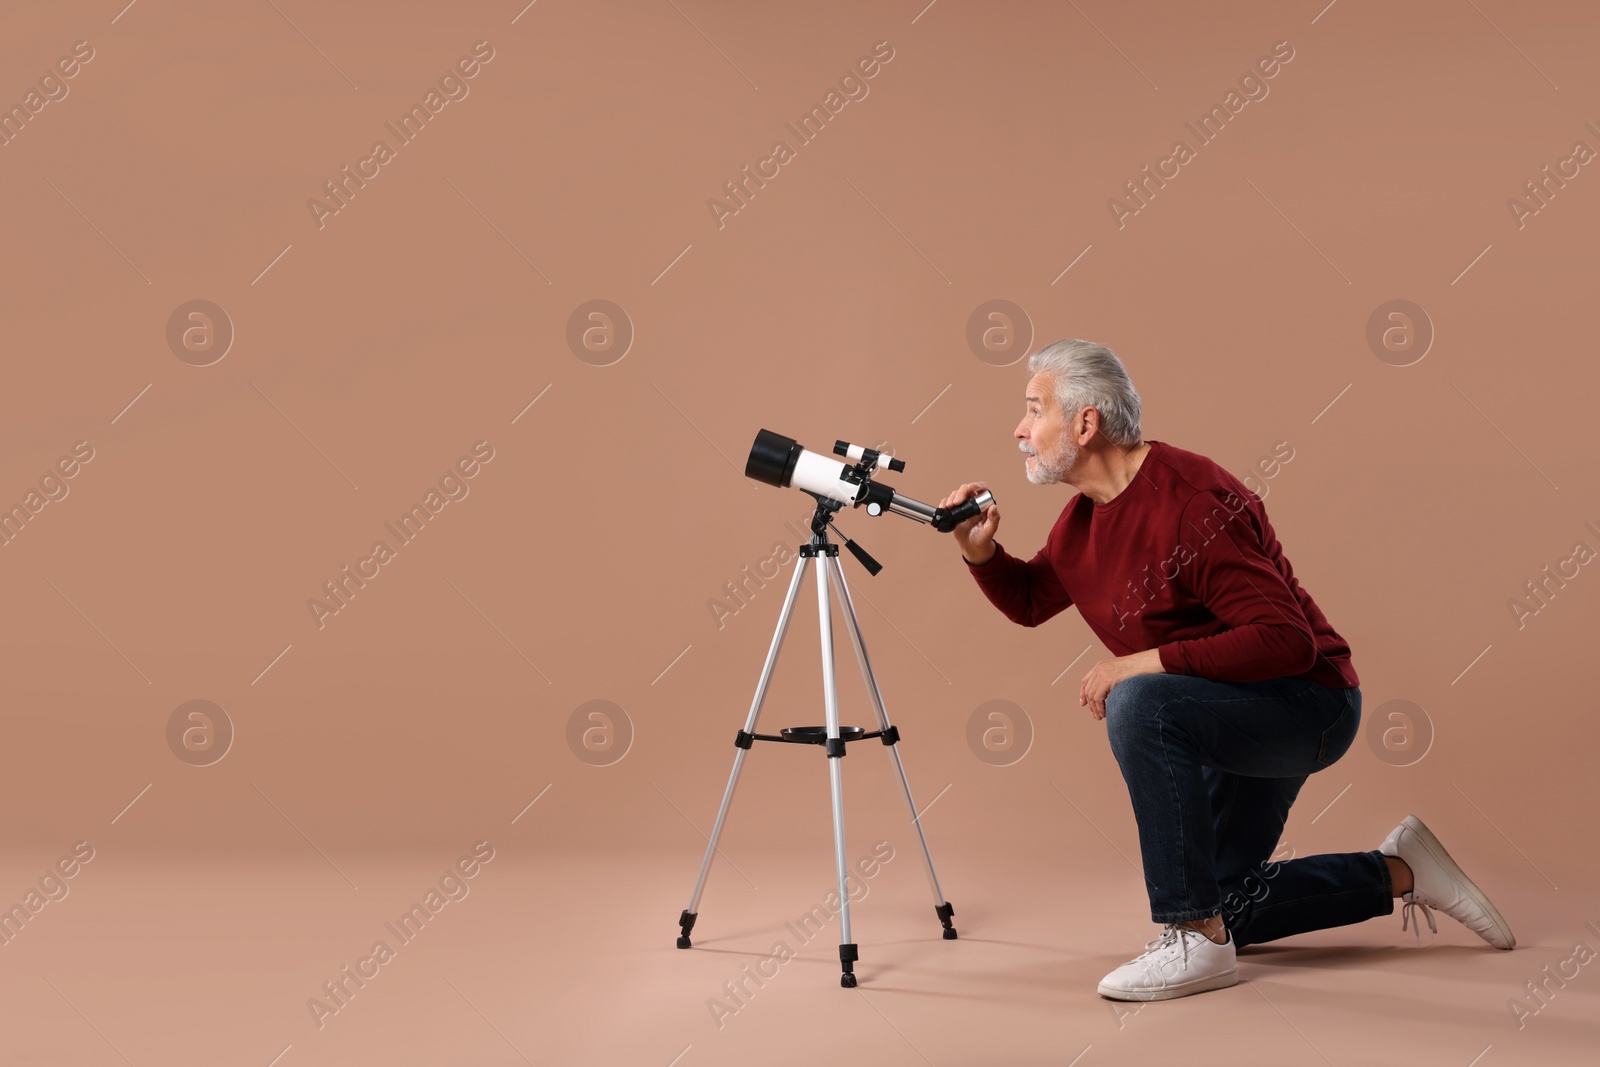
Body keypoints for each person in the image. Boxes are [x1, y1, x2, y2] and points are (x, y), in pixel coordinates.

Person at [942, 338, 1515, 1001]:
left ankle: (1194, 939)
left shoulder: (1191, 501)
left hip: (1306, 703)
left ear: (1085, 422)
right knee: (1227, 894)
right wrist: (977, 551)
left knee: (1139, 703)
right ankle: (1400, 870)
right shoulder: (1080, 524)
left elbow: (1286, 641)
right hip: (1227, 710)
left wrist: (1139, 664)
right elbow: (1034, 599)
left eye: (1033, 409)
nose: (1019, 429)